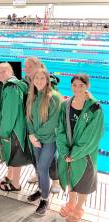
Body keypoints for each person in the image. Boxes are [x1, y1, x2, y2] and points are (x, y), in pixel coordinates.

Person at [57, 74, 104, 222]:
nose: (77, 88)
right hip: (68, 153)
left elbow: (91, 137)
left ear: (87, 86)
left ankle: (79, 208)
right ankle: (71, 203)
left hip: (85, 154)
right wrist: (65, 152)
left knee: (84, 181)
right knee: (70, 178)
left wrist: (74, 154)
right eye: (74, 85)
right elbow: (60, 129)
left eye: (81, 85)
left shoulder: (94, 109)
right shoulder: (65, 105)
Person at [26, 68, 62, 216]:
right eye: (36, 78)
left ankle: (45, 200)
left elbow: (52, 124)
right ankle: (40, 190)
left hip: (49, 140)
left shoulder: (54, 97)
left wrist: (36, 135)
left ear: (47, 80)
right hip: (36, 139)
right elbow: (28, 117)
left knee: (42, 168)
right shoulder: (32, 96)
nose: (39, 81)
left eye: (42, 78)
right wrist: (31, 135)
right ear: (32, 81)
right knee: (38, 167)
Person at [0, 62, 31, 192]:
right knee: (13, 156)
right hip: (18, 127)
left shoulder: (11, 88)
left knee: (15, 157)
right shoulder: (15, 85)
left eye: (3, 71)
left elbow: (10, 113)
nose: (0, 74)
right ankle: (10, 177)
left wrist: (4, 132)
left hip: (13, 130)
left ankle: (16, 185)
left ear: (11, 72)